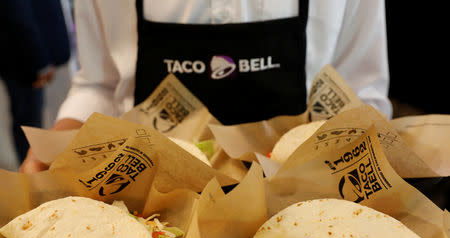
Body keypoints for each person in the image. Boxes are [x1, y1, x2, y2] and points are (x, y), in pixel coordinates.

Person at [19, 0, 392, 173]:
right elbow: (101, 85)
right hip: (147, 214)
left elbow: (360, 95)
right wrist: (55, 143)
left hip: (303, 216)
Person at [0, 0, 71, 163]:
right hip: (23, 60)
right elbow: (18, 15)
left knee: (29, 118)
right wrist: (40, 63)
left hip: (26, 56)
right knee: (28, 122)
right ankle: (32, 177)